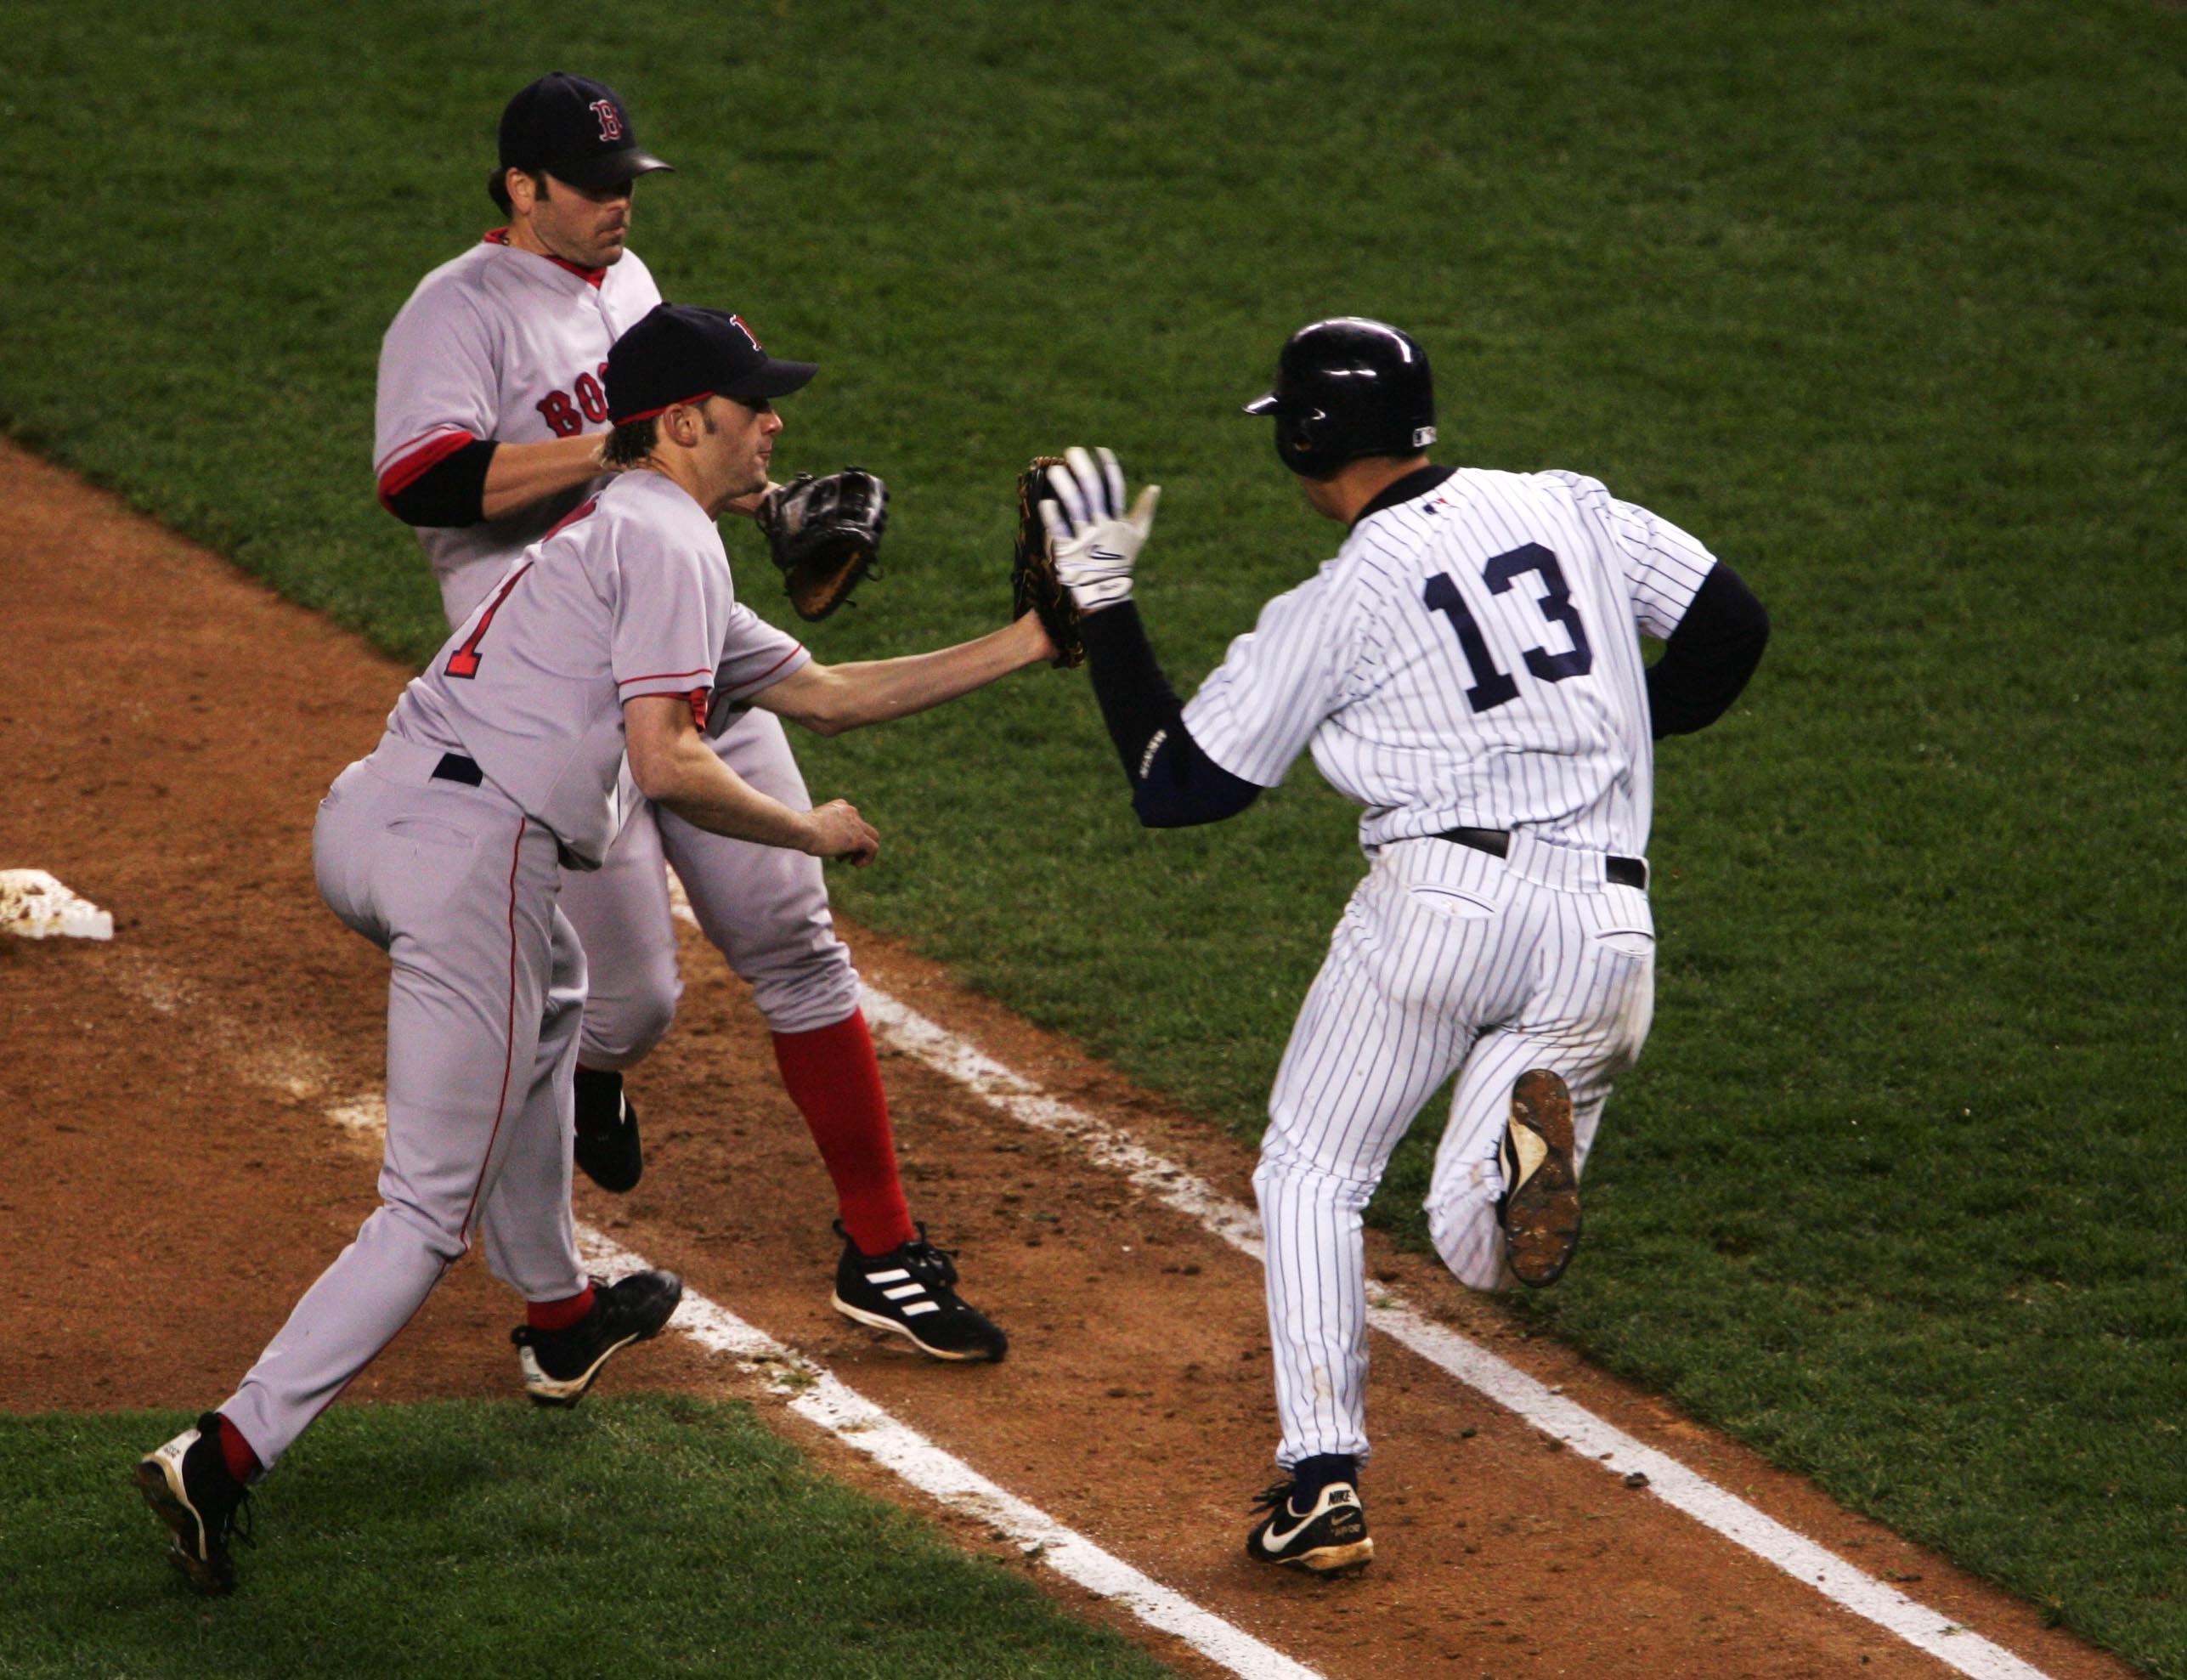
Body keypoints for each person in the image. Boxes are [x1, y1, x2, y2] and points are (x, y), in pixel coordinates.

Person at [138, 303, 1057, 1594]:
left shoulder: (628, 523)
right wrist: (806, 827)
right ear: (683, 422)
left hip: (372, 819)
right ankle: (221, 1456)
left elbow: (829, 692)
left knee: (559, 1005)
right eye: (751, 405)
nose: (774, 423)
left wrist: (1031, 643)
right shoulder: (672, 541)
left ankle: (563, 1320)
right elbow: (668, 758)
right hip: (474, 861)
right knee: (420, 1211)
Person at [1040, 318, 1769, 1575]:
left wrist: (1102, 600)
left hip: (1443, 905)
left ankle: (1320, 1476)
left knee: (1313, 1168)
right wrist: (1602, 731)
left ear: (1308, 446)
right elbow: (1729, 628)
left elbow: (1180, 789)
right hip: (1606, 925)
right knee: (1472, 1242)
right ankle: (1513, 1168)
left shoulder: (1344, 593)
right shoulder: (1565, 503)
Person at [372, 71, 1011, 1363]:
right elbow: (421, 479)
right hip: (557, 692)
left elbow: (675, 445)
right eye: (593, 186)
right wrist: (609, 451)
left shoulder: (629, 278)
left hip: (688, 633)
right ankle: (590, 1091)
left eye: (625, 184)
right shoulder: (455, 310)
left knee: (791, 933)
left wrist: (762, 505)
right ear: (521, 188)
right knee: (630, 1002)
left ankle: (881, 1250)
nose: (617, 204)